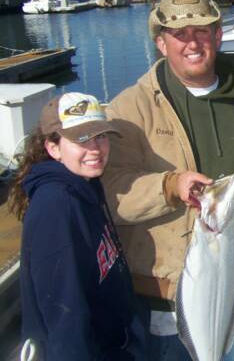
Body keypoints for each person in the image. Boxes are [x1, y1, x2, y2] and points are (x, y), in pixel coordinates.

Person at [101, 0, 234, 361]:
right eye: (180, 34)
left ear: (218, 35)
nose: (192, 42)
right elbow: (113, 194)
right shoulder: (130, 108)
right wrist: (168, 186)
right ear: (161, 44)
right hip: (166, 306)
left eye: (202, 31)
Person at [9, 92, 149, 360]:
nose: (95, 149)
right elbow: (64, 314)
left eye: (100, 136)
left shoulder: (87, 186)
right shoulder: (57, 207)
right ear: (53, 148)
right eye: (81, 140)